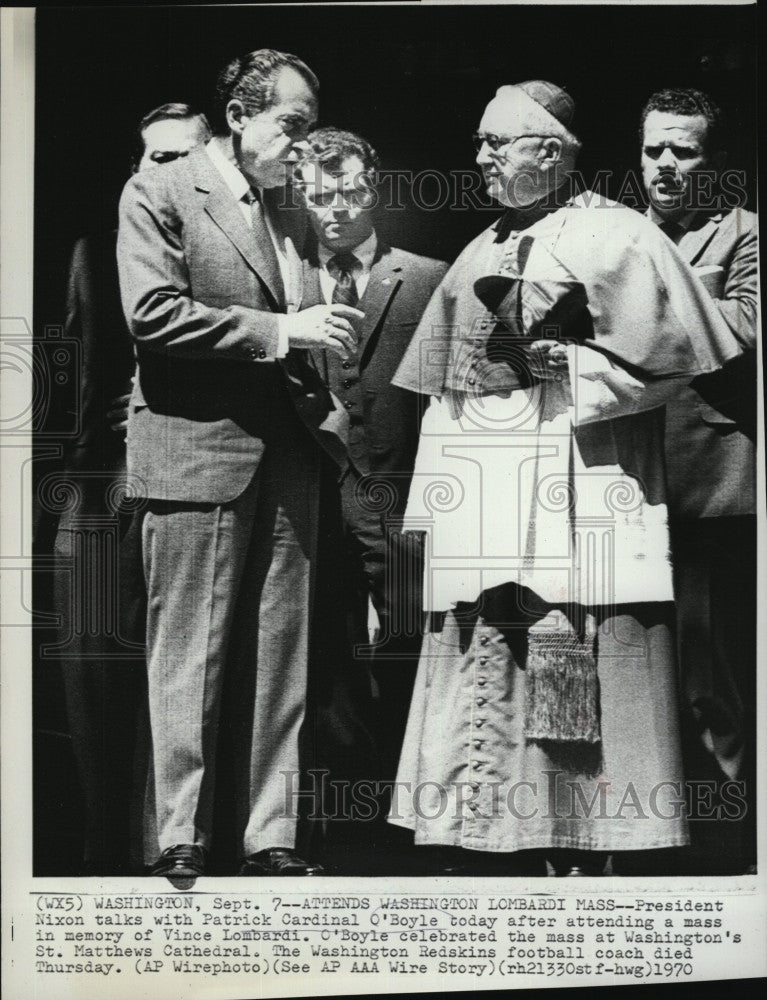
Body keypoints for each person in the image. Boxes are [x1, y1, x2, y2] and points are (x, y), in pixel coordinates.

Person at [388, 81, 741, 876]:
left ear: (547, 150)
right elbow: (445, 387)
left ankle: (582, 836)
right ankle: (489, 833)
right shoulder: (478, 248)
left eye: (494, 142)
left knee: (574, 637)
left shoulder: (616, 235)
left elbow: (672, 363)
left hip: (581, 484)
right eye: (478, 143)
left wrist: (564, 362)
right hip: (488, 498)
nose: (478, 157)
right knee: (492, 641)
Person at [117, 49, 363, 880]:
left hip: (288, 453)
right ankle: (178, 834)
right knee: (188, 654)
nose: (301, 143)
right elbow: (153, 314)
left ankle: (271, 835)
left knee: (280, 650)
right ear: (238, 117)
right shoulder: (159, 188)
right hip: (195, 450)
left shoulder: (290, 209)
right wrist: (279, 334)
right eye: (289, 125)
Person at [50, 103, 211, 875]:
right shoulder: (95, 251)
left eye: (181, 157)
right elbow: (66, 388)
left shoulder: (233, 258)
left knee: (176, 676)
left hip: (195, 484)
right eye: (151, 158)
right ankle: (99, 846)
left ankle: (165, 843)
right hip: (99, 490)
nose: (159, 174)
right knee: (90, 668)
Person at [296, 128, 448, 787]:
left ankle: (411, 803)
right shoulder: (281, 286)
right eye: (320, 193)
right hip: (310, 504)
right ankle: (339, 806)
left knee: (412, 654)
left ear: (374, 187)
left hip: (405, 507)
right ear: (299, 194)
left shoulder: (427, 281)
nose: (336, 208)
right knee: (319, 656)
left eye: (350, 191)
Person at [638, 88, 757, 874]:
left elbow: (744, 329)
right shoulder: (614, 233)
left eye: (682, 151)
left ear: (713, 163)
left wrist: (641, 310)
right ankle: (661, 833)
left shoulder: (744, 234)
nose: (665, 167)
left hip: (710, 488)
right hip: (621, 490)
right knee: (641, 673)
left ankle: (736, 841)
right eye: (652, 151)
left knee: (715, 672)